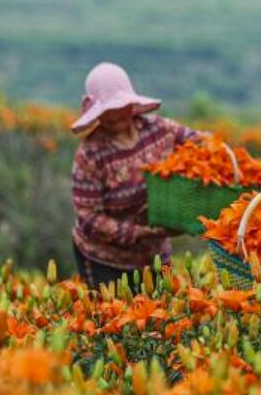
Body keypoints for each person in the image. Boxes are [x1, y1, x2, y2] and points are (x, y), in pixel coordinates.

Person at [70, 62, 198, 288]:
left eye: (121, 110)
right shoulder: (90, 154)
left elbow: (200, 141)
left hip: (155, 255)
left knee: (163, 313)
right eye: (108, 114)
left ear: (131, 104)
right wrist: (139, 232)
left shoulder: (159, 129)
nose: (117, 118)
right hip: (106, 262)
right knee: (111, 319)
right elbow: (88, 217)